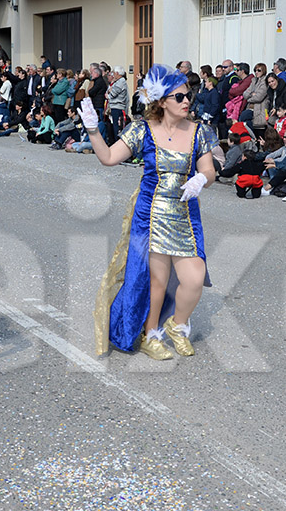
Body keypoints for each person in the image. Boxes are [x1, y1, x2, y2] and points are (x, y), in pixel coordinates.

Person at [80, 64, 216, 360]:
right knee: (156, 280)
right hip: (151, 213)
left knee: (194, 278)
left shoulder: (199, 131)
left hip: (185, 215)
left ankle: (178, 325)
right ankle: (150, 334)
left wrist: (201, 179)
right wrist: (93, 130)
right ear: (162, 101)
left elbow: (209, 168)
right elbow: (108, 157)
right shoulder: (142, 130)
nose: (186, 102)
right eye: (179, 97)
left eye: (188, 96)